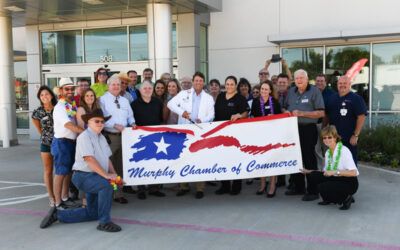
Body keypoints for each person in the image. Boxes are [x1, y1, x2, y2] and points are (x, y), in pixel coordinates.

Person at [40, 109, 123, 232]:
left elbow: (107, 159)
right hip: (83, 177)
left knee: (93, 213)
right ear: (88, 122)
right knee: (107, 186)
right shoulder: (84, 137)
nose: (100, 123)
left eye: (102, 121)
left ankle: (58, 215)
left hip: (95, 176)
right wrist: (107, 176)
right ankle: (104, 222)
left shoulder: (101, 138)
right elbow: (89, 159)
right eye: (97, 121)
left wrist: (115, 176)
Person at [168, 72, 215, 199]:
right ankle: (184, 186)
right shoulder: (184, 94)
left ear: (203, 82)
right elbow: (170, 104)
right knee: (184, 158)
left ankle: (200, 188)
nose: (198, 82)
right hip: (184, 131)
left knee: (199, 158)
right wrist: (181, 112)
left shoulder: (208, 98)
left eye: (201, 80)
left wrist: (203, 120)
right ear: (193, 82)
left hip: (199, 131)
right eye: (196, 80)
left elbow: (211, 115)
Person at [283, 69, 325, 201]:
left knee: (309, 159)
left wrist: (302, 113)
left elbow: (321, 113)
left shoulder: (314, 91)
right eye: (297, 78)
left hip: (308, 129)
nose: (299, 80)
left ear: (307, 79)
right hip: (292, 129)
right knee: (296, 158)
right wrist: (286, 112)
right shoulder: (291, 92)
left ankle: (313, 190)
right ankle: (298, 187)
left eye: (302, 78)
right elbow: (284, 107)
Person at [300, 125, 359, 210]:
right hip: (335, 177)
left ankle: (347, 198)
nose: (326, 140)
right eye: (324, 138)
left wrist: (335, 172)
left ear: (335, 138)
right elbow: (325, 171)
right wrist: (308, 171)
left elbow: (354, 172)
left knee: (325, 186)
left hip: (349, 181)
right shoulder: (328, 152)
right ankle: (329, 199)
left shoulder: (344, 150)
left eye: (329, 137)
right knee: (313, 176)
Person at [100, 75, 136, 204]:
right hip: (110, 136)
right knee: (110, 166)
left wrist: (132, 123)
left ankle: (119, 193)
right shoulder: (103, 100)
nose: (116, 87)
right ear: (108, 86)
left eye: (118, 84)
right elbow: (103, 119)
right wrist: (114, 125)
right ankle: (110, 192)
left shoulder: (125, 100)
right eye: (113, 84)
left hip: (125, 137)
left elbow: (130, 116)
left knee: (121, 165)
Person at [52, 78, 84, 209]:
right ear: (61, 91)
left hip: (72, 142)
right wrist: (84, 133)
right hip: (62, 143)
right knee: (60, 173)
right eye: (67, 89)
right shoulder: (60, 107)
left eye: (72, 89)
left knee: (69, 172)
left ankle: (65, 197)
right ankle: (58, 202)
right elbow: (68, 124)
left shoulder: (72, 105)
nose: (70, 91)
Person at [214, 76, 249, 195]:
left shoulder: (240, 98)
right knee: (223, 159)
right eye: (227, 84)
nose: (229, 86)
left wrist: (240, 115)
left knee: (235, 159)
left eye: (232, 84)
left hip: (235, 134)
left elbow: (246, 112)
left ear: (236, 85)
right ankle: (224, 185)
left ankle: (236, 185)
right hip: (221, 133)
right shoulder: (220, 97)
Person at [131, 81, 167, 199]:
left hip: (156, 138)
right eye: (144, 88)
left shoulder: (158, 102)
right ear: (140, 91)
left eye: (149, 88)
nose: (147, 90)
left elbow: (161, 119)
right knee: (141, 162)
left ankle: (154, 188)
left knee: (155, 162)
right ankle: (141, 189)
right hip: (140, 138)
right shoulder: (134, 104)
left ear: (152, 90)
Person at [323, 76, 367, 165]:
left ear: (349, 84)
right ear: (337, 85)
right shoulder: (332, 98)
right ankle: (336, 178)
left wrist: (356, 135)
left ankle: (352, 178)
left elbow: (361, 117)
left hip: (349, 138)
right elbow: (326, 115)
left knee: (350, 163)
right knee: (335, 162)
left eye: (344, 83)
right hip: (334, 138)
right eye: (340, 83)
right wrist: (323, 130)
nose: (342, 85)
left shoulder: (356, 99)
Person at [251, 80, 282, 198]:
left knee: (272, 160)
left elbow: (280, 118)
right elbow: (252, 117)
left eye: (266, 89)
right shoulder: (255, 102)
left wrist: (273, 117)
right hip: (259, 135)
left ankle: (272, 185)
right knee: (262, 160)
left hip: (272, 135)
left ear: (270, 90)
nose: (263, 91)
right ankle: (263, 184)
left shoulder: (274, 102)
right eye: (262, 89)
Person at [32, 86, 58, 207]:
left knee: (60, 171)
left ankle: (60, 196)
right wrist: (47, 138)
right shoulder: (37, 112)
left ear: (51, 95)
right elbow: (40, 130)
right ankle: (51, 197)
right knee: (48, 171)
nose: (44, 97)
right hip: (46, 144)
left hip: (60, 143)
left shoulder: (59, 108)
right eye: (42, 95)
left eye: (46, 94)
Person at [315, 74, 335, 169]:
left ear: (325, 82)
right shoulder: (313, 92)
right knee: (316, 148)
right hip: (314, 124)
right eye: (318, 81)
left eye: (322, 81)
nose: (319, 83)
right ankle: (320, 169)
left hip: (327, 126)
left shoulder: (332, 94)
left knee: (328, 148)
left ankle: (330, 168)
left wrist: (325, 126)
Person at [275, 73, 291, 187]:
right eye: (280, 82)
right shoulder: (274, 94)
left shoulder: (292, 94)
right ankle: (280, 180)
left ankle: (292, 181)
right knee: (278, 153)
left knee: (289, 153)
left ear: (288, 83)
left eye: (284, 82)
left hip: (289, 128)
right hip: (277, 128)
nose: (281, 84)